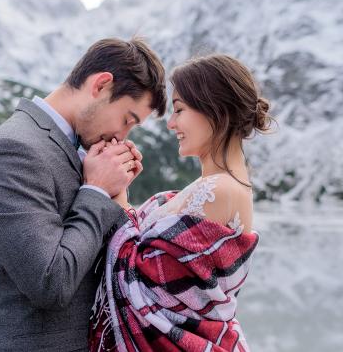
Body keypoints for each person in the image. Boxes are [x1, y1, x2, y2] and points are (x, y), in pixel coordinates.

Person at [0, 37, 166, 352]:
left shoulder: (84, 150)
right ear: (101, 85)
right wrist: (98, 190)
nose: (122, 136)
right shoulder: (12, 150)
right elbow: (50, 283)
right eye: (127, 119)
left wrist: (118, 197)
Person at [89, 54, 273, 352]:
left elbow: (148, 284)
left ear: (214, 109)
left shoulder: (221, 190)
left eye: (179, 110)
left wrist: (117, 196)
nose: (171, 123)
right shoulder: (210, 186)